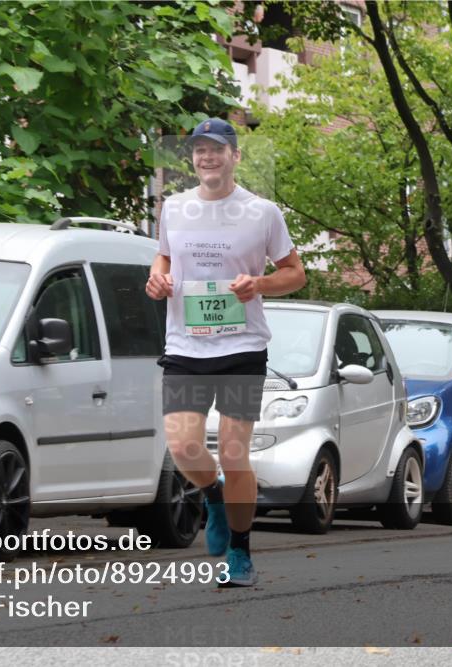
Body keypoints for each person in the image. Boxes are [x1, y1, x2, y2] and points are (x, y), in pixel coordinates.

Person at [146, 118, 306, 586]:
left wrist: (258, 284)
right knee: (184, 447)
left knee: (235, 454)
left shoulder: (262, 212)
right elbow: (165, 259)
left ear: (235, 156)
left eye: (218, 149)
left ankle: (240, 552)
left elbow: (295, 273)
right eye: (200, 150)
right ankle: (212, 493)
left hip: (242, 348)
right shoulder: (173, 209)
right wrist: (157, 278)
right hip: (185, 348)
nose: (207, 157)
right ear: (192, 158)